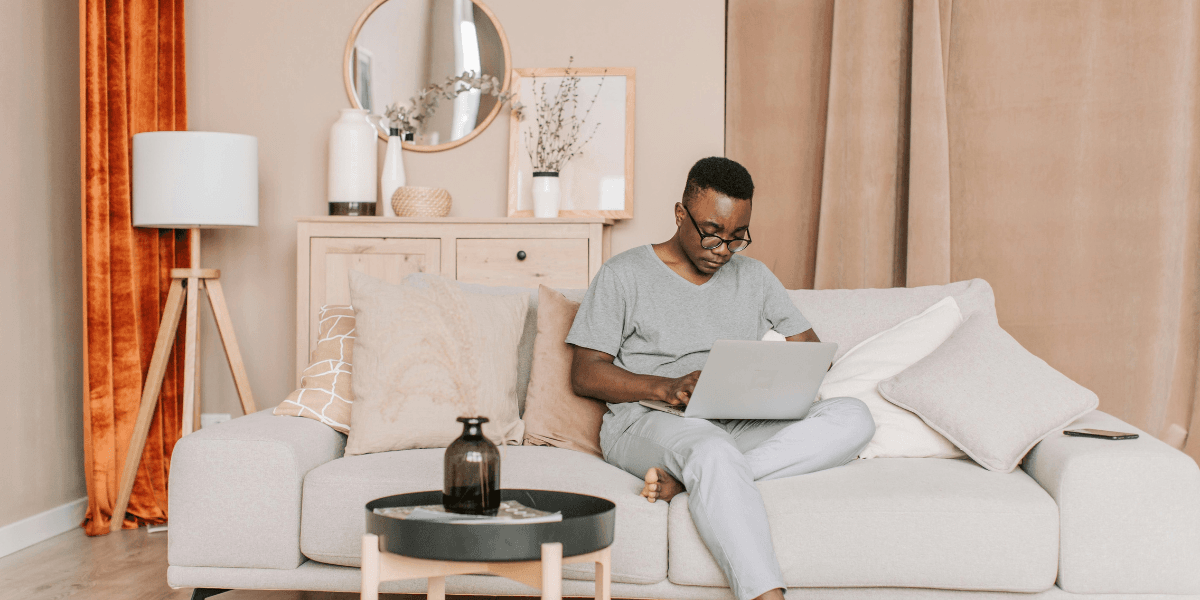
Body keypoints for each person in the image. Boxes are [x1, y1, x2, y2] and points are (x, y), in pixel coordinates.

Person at [566, 157, 876, 600]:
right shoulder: (624, 274)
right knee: (710, 450)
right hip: (648, 420)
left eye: (736, 238)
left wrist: (773, 376)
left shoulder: (754, 276)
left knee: (854, 417)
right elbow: (585, 373)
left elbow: (810, 348)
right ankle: (767, 595)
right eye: (712, 232)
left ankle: (694, 481)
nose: (722, 249)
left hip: (735, 418)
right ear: (680, 214)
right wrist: (666, 386)